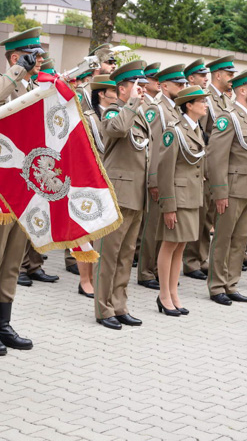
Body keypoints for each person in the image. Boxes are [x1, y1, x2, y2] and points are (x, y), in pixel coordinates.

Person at [0, 29, 45, 356]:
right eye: (32, 55)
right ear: (16, 57)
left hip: (25, 182)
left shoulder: (31, 87)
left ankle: (3, 320)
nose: (38, 60)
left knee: (13, 256)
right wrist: (17, 72)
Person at [91, 63, 151, 329]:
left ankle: (120, 304)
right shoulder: (114, 111)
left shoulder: (138, 113)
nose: (142, 90)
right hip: (118, 192)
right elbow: (116, 130)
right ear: (123, 89)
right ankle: (103, 308)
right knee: (108, 254)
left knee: (126, 254)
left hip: (137, 193)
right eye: (137, 86)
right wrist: (132, 104)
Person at [206, 68, 247, 305]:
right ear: (242, 90)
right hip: (231, 190)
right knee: (223, 238)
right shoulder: (227, 117)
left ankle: (231, 283)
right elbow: (216, 157)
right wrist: (220, 191)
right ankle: (217, 285)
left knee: (240, 239)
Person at [156, 86, 209, 315]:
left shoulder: (196, 129)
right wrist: (168, 205)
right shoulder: (174, 131)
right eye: (202, 101)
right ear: (189, 105)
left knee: (181, 246)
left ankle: (174, 293)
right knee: (169, 245)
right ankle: (163, 294)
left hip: (191, 197)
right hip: (177, 197)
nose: (206, 105)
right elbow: (165, 170)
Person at [138, 64, 188, 290]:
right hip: (158, 176)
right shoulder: (157, 109)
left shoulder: (175, 109)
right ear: (164, 86)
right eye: (179, 84)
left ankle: (159, 270)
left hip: (171, 177)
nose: (183, 87)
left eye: (184, 84)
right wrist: (154, 180)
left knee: (163, 228)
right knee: (153, 226)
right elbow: (154, 146)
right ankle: (146, 272)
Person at [82, 75, 119, 298]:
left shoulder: (117, 115)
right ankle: (84, 279)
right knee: (88, 231)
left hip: (112, 178)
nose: (118, 93)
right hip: (91, 178)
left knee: (103, 232)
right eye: (113, 90)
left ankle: (98, 277)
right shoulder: (88, 117)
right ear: (102, 94)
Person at [181, 59, 212, 281]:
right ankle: (191, 262)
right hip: (184, 180)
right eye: (201, 75)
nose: (205, 78)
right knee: (180, 234)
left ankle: (201, 259)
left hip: (204, 171)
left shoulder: (217, 101)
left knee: (204, 221)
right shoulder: (178, 124)